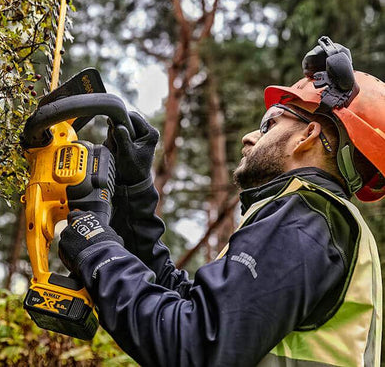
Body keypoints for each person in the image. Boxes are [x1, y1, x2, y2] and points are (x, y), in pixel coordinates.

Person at [58, 38, 384, 366]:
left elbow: (195, 348)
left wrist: (98, 251)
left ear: (307, 136)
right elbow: (186, 307)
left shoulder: (305, 221)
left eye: (269, 123)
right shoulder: (323, 225)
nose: (249, 137)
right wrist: (133, 193)